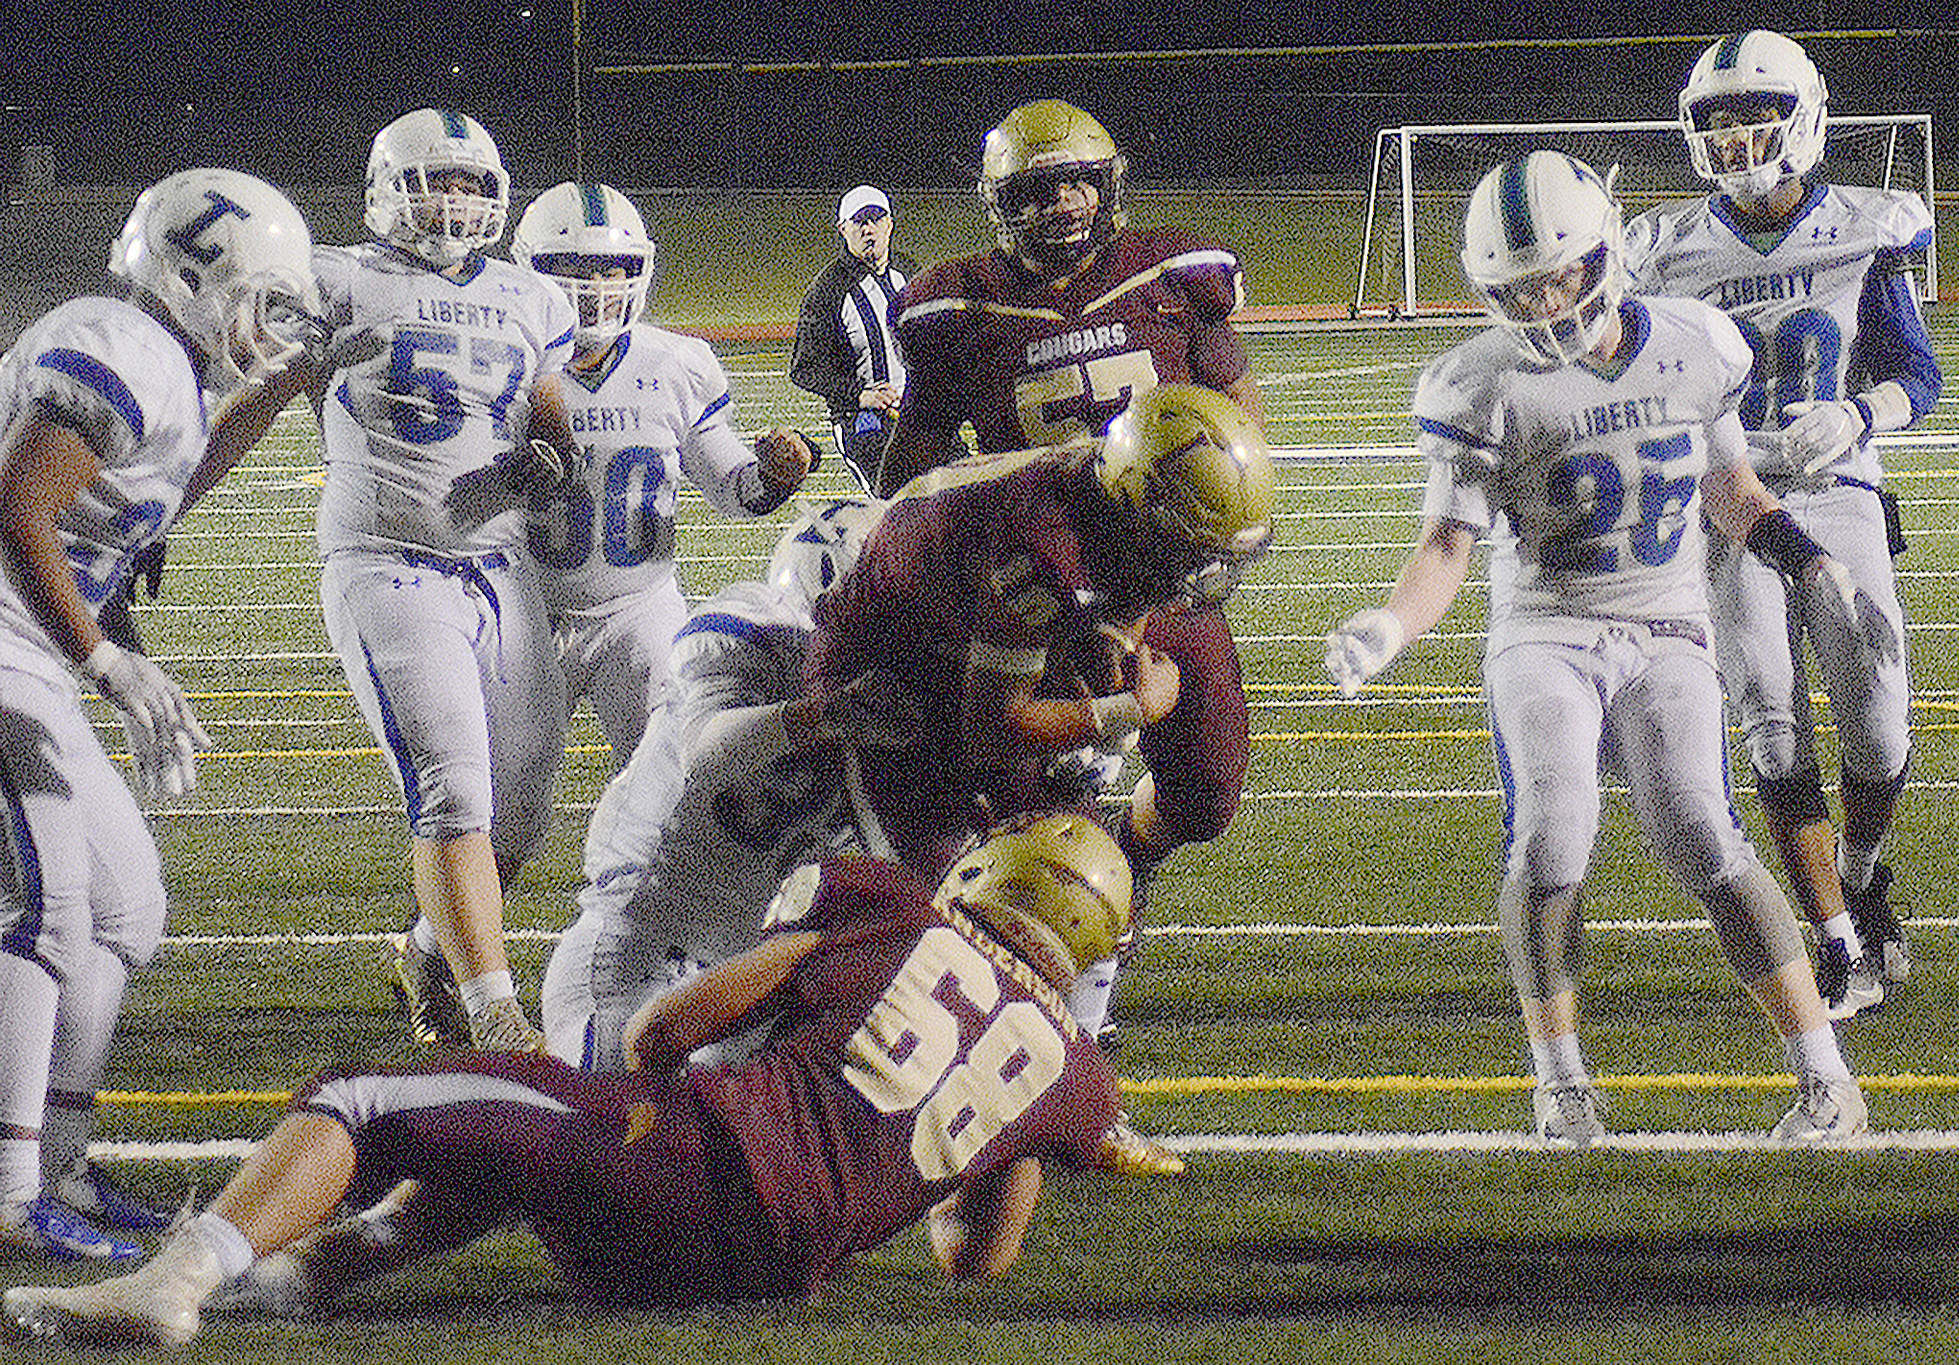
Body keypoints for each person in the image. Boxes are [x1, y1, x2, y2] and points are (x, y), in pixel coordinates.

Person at [1, 814, 1174, 1348]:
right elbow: (974, 1260)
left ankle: (175, 1283)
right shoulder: (1075, 1080)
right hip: (755, 1280)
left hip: (688, 1172)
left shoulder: (890, 910)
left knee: (364, 1100)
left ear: (990, 870)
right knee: (529, 1136)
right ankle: (316, 1274)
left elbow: (662, 1033)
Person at [1324, 150, 1886, 1144]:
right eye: (1517, 288)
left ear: (1602, 254)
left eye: (1557, 276)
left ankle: (1826, 1077)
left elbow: (1732, 491)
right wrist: (1390, 624)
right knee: (1550, 835)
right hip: (1545, 630)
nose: (1543, 302)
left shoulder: (1696, 343)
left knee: (1703, 836)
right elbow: (1446, 545)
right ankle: (1561, 1083)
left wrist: (1806, 560)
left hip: (1666, 625)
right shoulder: (1478, 383)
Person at [872, 99, 1268, 1039]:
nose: (1064, 205)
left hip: (1164, 572)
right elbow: (914, 466)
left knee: (1207, 794)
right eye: (1039, 191)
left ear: (1109, 186)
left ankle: (1130, 853)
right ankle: (1060, 999)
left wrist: (1230, 511)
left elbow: (1237, 416)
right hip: (1045, 583)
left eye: (1079, 184)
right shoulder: (958, 308)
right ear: (1000, 204)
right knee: (1046, 807)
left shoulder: (1171, 278)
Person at [209, 110, 584, 1055]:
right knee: (453, 787)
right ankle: (496, 1012)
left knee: (523, 810)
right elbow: (248, 404)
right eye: (437, 180)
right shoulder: (335, 281)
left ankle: (427, 948)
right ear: (387, 190)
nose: (455, 200)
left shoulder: (531, 296)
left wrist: (551, 452)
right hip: (387, 563)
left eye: (471, 183)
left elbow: (547, 406)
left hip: (501, 568)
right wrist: (159, 507)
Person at [0, 168, 319, 1260]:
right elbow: (21, 501)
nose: (266, 326)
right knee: (46, 905)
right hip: (10, 649)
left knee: (123, 907)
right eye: (258, 301)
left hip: (28, 656)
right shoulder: (121, 345)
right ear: (188, 279)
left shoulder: (164, 370)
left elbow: (171, 485)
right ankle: (10, 1189)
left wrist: (280, 389)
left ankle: (60, 1167)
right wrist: (104, 659)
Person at [1625, 30, 1937, 1020]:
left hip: (1837, 487)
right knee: (1767, 719)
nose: (1734, 139)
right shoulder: (1659, 250)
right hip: (1726, 502)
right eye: (1716, 123)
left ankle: (1861, 875)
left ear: (1802, 119)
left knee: (1878, 725)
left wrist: (1857, 413)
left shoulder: (1865, 228)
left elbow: (1917, 375)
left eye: (1754, 118)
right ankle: (1834, 939)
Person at [539, 496, 901, 1070]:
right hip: (637, 948)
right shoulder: (758, 627)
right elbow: (708, 750)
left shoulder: (899, 698)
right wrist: (826, 715)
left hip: (750, 985)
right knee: (615, 1110)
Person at [510, 180, 818, 764]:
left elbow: (736, 487)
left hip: (639, 606)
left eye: (611, 271)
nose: (594, 290)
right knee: (500, 801)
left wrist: (778, 472)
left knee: (675, 781)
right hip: (524, 610)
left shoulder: (675, 363)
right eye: (574, 269)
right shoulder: (503, 364)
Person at [789, 186, 936, 493]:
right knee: (899, 505)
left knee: (965, 496)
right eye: (859, 222)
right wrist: (860, 395)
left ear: (890, 224)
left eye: (875, 219)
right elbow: (804, 369)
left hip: (921, 415)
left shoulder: (909, 273)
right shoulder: (828, 290)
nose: (869, 229)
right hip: (865, 424)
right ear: (843, 229)